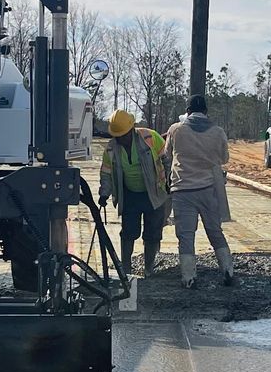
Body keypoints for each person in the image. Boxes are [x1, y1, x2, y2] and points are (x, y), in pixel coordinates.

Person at [160, 93, 235, 288]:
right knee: (214, 231)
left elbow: (166, 154)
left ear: (188, 111)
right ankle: (227, 270)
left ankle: (188, 278)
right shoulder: (218, 132)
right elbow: (224, 158)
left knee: (186, 236)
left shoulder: (176, 130)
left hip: (182, 190)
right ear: (206, 112)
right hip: (208, 189)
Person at [98, 109, 167, 277]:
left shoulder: (150, 138)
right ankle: (126, 270)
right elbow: (106, 173)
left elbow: (167, 159)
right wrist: (104, 193)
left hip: (154, 193)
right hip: (129, 194)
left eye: (124, 135)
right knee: (128, 232)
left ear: (132, 129)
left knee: (152, 233)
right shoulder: (111, 149)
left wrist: (171, 182)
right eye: (117, 136)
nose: (121, 139)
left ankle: (149, 268)